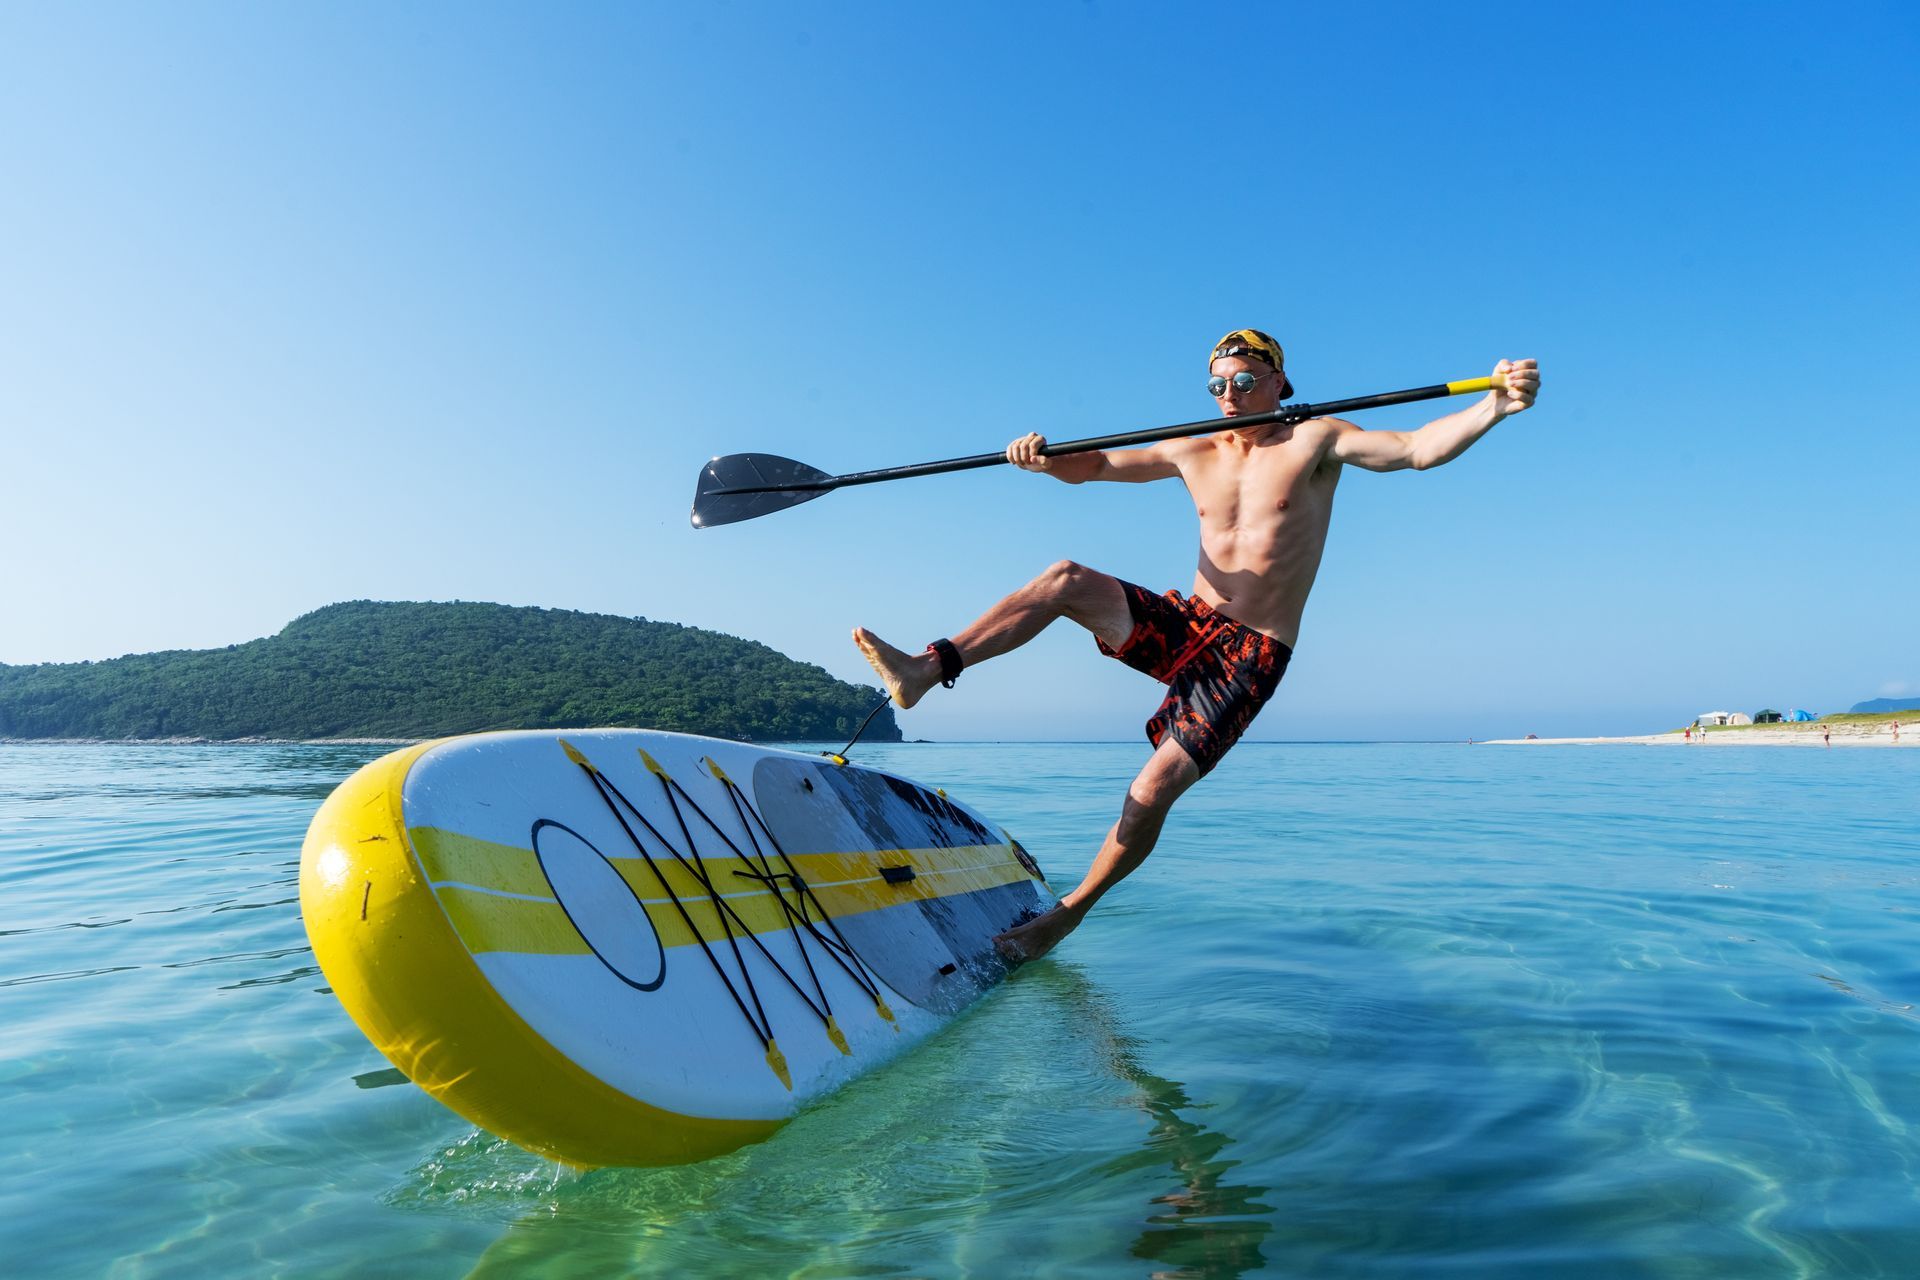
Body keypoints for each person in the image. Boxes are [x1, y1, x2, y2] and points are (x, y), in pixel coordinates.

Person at [853, 329, 1540, 960]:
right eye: (1217, 384)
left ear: (1279, 383)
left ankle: (1069, 913)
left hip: (1251, 653)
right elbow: (1092, 467)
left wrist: (1495, 408)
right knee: (1064, 579)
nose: (1228, 395)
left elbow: (1415, 449)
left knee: (1152, 789)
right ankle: (926, 667)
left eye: (1243, 381)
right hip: (1186, 625)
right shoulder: (1193, 447)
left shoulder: (1317, 442)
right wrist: (1040, 460)